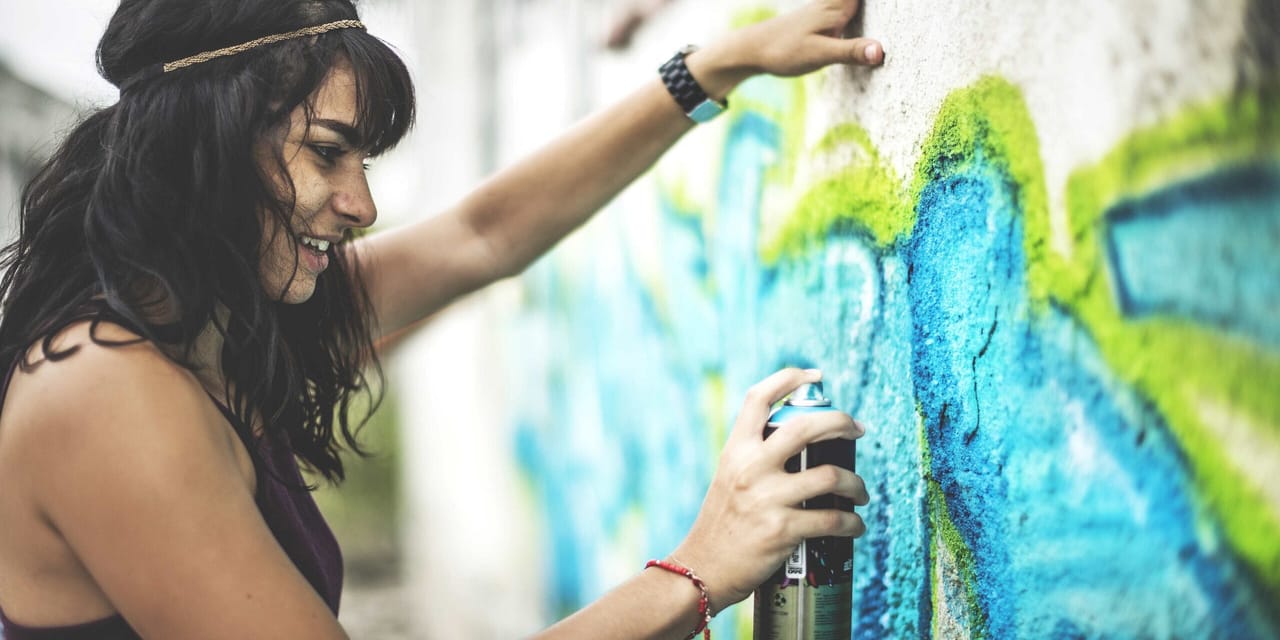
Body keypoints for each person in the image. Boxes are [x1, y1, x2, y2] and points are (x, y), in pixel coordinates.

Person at [0, 0, 881, 637]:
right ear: (203, 144)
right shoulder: (104, 388)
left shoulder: (221, 316)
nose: (362, 203)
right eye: (328, 152)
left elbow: (481, 236)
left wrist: (710, 68)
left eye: (367, 159)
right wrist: (697, 571)